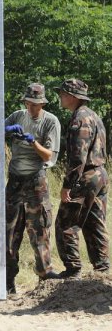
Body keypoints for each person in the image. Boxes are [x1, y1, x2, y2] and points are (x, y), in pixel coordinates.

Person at [3, 83, 61, 294]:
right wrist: (5, 130)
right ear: (25, 102)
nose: (32, 107)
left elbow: (49, 156)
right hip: (16, 180)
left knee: (40, 231)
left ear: (42, 104)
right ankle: (8, 282)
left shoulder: (50, 121)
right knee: (10, 231)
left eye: (36, 104)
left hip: (37, 181)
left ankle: (45, 278)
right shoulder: (17, 116)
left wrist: (32, 142)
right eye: (29, 103)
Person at [54, 79, 109, 278]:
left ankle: (73, 269)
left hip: (87, 176)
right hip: (100, 174)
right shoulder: (93, 115)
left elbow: (78, 156)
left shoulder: (80, 118)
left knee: (65, 224)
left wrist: (68, 185)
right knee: (94, 222)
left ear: (72, 96)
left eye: (62, 93)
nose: (60, 96)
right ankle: (102, 269)